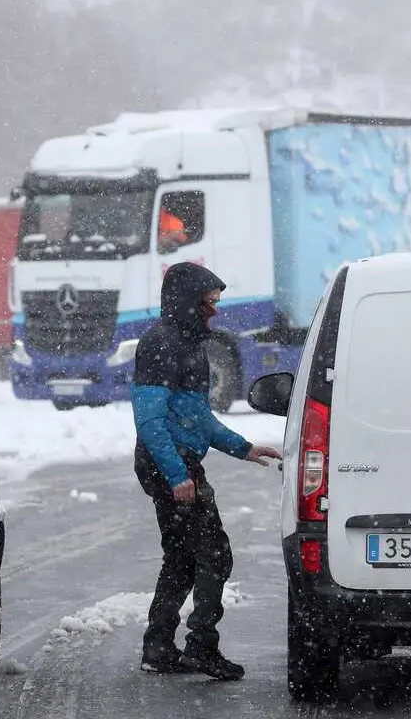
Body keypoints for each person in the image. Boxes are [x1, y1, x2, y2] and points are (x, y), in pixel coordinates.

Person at [131, 262, 282, 680]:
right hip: (171, 465)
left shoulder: (188, 344)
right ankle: (200, 646)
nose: (214, 311)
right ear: (187, 301)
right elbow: (150, 421)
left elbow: (198, 417)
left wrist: (243, 447)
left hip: (177, 461)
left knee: (181, 558)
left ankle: (159, 648)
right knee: (214, 554)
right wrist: (178, 475)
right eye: (208, 303)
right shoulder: (161, 344)